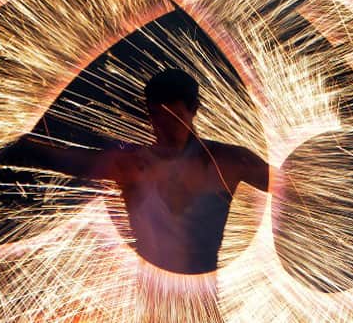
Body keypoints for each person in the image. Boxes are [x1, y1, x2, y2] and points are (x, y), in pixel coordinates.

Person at [13, 68, 270, 275]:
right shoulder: (134, 164)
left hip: (202, 303)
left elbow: (295, 186)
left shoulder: (229, 160)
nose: (165, 128)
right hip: (154, 303)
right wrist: (14, 138)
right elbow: (68, 160)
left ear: (194, 110)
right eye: (157, 116)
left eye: (175, 116)